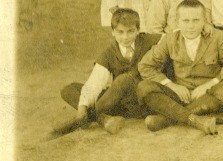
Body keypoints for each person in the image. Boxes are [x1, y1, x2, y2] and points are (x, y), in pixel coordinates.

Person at [137, 0, 223, 135]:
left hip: (209, 94)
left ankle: (168, 119)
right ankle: (194, 120)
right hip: (180, 95)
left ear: (204, 20)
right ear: (177, 22)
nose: (191, 26)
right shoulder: (170, 39)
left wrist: (210, 85)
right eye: (186, 21)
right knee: (144, 86)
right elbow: (145, 66)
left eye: (196, 20)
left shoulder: (217, 37)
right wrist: (172, 85)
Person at [52, 9, 159, 137]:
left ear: (138, 30)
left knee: (124, 79)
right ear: (113, 32)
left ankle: (85, 119)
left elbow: (174, 37)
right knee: (70, 89)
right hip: (119, 105)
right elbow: (95, 82)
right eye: (120, 32)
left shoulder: (149, 40)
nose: (125, 37)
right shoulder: (109, 52)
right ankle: (104, 119)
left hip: (144, 103)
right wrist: (82, 108)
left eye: (130, 31)